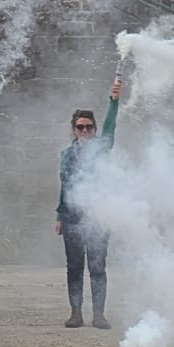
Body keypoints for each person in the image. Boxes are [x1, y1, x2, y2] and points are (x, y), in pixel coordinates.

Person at [55, 77, 124, 329]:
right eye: (80, 127)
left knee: (97, 266)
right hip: (71, 216)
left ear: (94, 130)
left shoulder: (101, 149)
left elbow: (111, 127)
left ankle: (98, 314)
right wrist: (59, 215)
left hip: (97, 215)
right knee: (74, 266)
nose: (85, 131)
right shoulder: (66, 155)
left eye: (89, 127)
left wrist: (114, 101)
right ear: (74, 129)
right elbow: (65, 187)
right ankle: (76, 313)